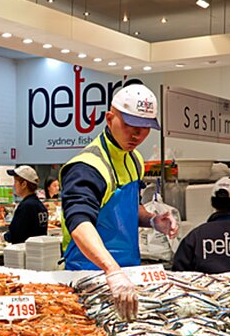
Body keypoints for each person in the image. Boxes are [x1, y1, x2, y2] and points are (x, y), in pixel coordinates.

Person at [60, 82, 178, 318]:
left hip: (128, 270)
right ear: (109, 118)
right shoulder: (86, 167)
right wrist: (111, 270)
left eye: (145, 128)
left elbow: (127, 210)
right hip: (89, 274)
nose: (137, 134)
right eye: (129, 125)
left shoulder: (134, 159)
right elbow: (79, 225)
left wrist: (153, 220)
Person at [4, 166, 49, 244]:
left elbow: (15, 234)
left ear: (24, 184)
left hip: (25, 252)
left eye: (15, 182)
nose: (14, 185)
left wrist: (4, 237)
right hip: (36, 251)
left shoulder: (26, 206)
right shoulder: (40, 205)